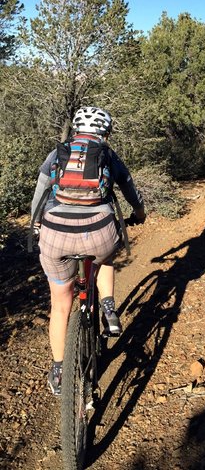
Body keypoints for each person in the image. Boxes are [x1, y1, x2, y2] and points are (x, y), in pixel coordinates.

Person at [31, 106, 145, 395]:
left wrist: (36, 225)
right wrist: (139, 213)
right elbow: (130, 190)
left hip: (55, 233)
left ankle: (58, 370)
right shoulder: (107, 153)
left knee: (60, 303)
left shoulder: (58, 153)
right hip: (98, 232)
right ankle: (107, 308)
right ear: (105, 132)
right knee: (105, 257)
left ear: (77, 129)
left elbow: (40, 194)